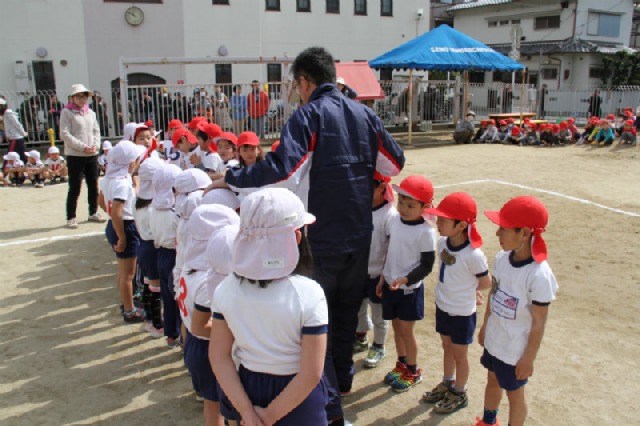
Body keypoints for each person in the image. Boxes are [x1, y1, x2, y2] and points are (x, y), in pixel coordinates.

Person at [208, 46, 405, 425]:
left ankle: (331, 410)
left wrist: (231, 177)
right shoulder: (365, 114)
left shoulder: (309, 115)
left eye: (295, 85)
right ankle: (341, 386)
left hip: (320, 236)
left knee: (318, 322)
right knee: (346, 315)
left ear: (304, 81)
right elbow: (394, 162)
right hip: (359, 234)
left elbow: (281, 169)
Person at [210, 188, 328, 426]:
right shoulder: (309, 293)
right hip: (297, 397)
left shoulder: (226, 289)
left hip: (246, 389)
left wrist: (248, 413)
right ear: (297, 237)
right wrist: (269, 416)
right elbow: (311, 373)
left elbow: (218, 356)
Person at [475, 196, 558, 426]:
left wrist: (528, 358)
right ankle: (488, 421)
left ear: (525, 233)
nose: (497, 233)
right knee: (492, 380)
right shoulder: (502, 259)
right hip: (496, 338)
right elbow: (493, 294)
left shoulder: (539, 275)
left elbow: (539, 322)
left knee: (515, 394)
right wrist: (486, 325)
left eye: (503, 228)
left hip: (515, 349)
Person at [421, 192, 491, 414]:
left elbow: (486, 282)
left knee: (460, 353)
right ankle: (448, 382)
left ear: (461, 226)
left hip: (461, 312)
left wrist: (471, 291)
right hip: (443, 305)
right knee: (446, 346)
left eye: (443, 220)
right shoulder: (443, 242)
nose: (438, 222)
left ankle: (460, 392)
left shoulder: (474, 255)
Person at [178, 204, 239, 426]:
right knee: (219, 407)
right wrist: (238, 329)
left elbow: (188, 325)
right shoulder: (207, 280)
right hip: (207, 349)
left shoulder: (190, 265)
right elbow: (200, 326)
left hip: (196, 345)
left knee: (211, 403)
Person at [377, 175, 436, 393]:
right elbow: (391, 251)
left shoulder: (426, 231)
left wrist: (407, 279)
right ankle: (401, 363)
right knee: (396, 326)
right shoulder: (395, 221)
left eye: (411, 206)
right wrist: (383, 276)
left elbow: (427, 265)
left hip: (409, 290)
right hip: (390, 284)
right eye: (401, 202)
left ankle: (413, 370)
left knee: (406, 330)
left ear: (425, 207)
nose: (404, 209)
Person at [98, 140, 147, 323]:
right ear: (131, 163)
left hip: (115, 225)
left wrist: (111, 215)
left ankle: (126, 303)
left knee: (122, 271)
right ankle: (129, 310)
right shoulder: (122, 183)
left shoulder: (108, 179)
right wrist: (122, 237)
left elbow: (101, 201)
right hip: (124, 227)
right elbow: (117, 211)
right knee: (128, 274)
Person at [354, 172, 396, 369]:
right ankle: (361, 337)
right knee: (358, 308)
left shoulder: (389, 215)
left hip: (378, 274)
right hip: (358, 270)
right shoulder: (360, 207)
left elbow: (392, 248)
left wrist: (384, 275)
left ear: (381, 187)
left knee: (378, 314)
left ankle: (379, 345)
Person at [60, 83, 104, 229]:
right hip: (75, 155)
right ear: (72, 98)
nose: (81, 99)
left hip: (91, 154)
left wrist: (95, 145)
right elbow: (65, 134)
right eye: (78, 96)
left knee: (93, 184)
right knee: (75, 186)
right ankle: (71, 216)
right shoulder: (67, 112)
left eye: (84, 96)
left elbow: (96, 131)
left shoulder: (91, 113)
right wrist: (82, 147)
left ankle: (93, 212)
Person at [150, 162, 183, 348]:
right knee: (179, 297)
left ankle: (171, 334)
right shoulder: (175, 211)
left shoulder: (153, 208)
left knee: (167, 297)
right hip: (175, 256)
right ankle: (182, 335)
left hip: (161, 254)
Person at [134, 157, 165, 338]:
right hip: (153, 248)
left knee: (147, 285)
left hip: (143, 246)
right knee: (156, 289)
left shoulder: (138, 200)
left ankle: (148, 319)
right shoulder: (154, 206)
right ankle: (156, 323)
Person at [0, 98, 28, 164]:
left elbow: (17, 124)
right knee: (22, 156)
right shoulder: (5, 114)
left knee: (10, 156)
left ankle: (5, 169)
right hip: (14, 138)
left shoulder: (9, 114)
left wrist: (23, 133)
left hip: (15, 138)